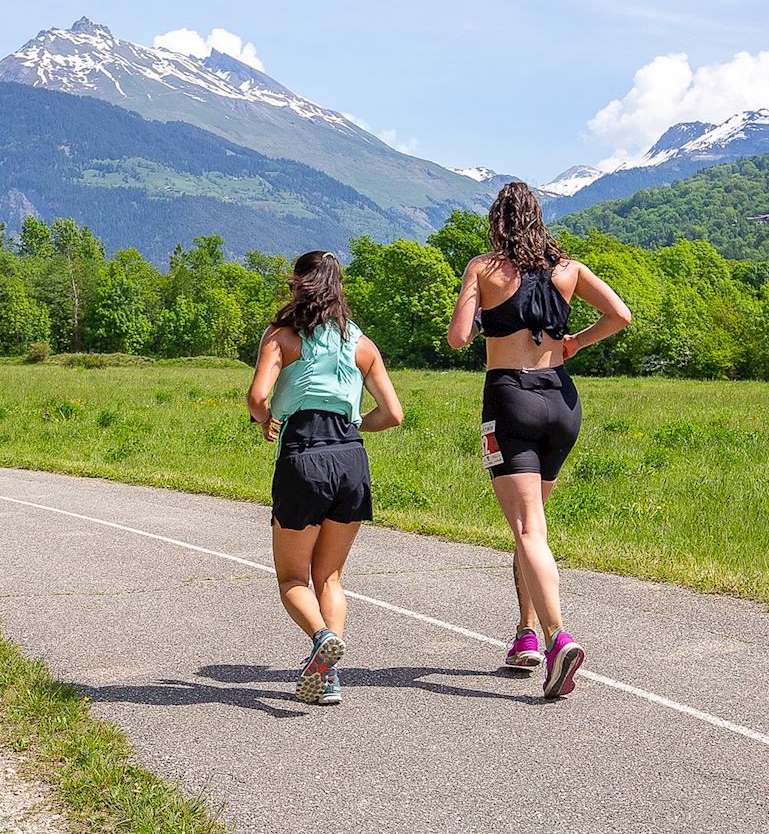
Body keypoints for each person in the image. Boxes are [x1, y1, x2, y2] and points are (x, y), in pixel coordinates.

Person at [447, 182, 630, 699]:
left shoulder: (484, 267)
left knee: (527, 528)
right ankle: (526, 634)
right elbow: (621, 315)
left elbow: (459, 337)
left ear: (497, 220)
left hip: (511, 400)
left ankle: (557, 638)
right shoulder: (567, 268)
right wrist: (574, 342)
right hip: (562, 403)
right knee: (533, 528)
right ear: (539, 217)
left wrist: (473, 293)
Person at [247, 250, 403, 706]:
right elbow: (393, 414)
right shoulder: (361, 343)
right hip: (351, 458)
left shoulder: (282, 337)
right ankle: (328, 677)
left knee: (291, 578)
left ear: (298, 284)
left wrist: (265, 419)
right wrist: (353, 425)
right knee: (330, 577)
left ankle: (319, 639)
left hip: (304, 456)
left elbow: (258, 396)